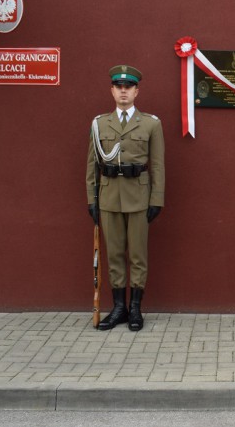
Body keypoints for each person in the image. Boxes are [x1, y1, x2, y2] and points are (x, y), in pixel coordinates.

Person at [86, 65, 165, 331]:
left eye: (128, 87)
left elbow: (157, 166)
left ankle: (135, 309)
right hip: (109, 197)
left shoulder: (151, 123)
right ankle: (118, 307)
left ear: (136, 91)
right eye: (118, 87)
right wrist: (92, 199)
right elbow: (92, 166)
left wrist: (157, 199)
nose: (123, 91)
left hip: (139, 197)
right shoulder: (99, 124)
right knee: (115, 255)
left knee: (138, 255)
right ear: (111, 90)